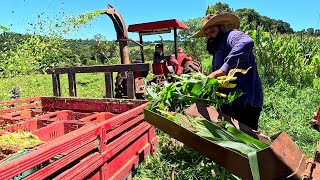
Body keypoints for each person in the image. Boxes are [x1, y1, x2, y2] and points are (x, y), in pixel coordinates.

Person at [190, 13, 263, 130]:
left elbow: (246, 42)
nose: (209, 36)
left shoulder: (231, 35)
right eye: (207, 34)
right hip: (228, 102)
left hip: (246, 101)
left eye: (212, 31)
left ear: (222, 28)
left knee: (246, 140)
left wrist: (224, 69)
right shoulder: (218, 47)